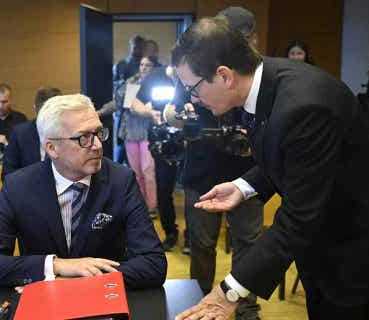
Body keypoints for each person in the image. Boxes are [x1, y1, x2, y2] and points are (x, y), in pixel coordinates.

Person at [173, 17, 369, 320]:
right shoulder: (262, 81)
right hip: (322, 244)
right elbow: (288, 157)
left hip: (356, 249)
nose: (193, 99)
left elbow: (298, 216)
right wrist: (243, 186)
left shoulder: (305, 106)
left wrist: (229, 291)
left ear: (224, 76)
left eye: (192, 88)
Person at [0, 94, 167, 290]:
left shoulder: (121, 180)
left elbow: (153, 264)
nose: (98, 146)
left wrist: (78, 282)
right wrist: (55, 265)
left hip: (103, 301)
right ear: (52, 148)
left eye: (99, 133)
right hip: (43, 306)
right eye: (84, 138)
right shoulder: (18, 186)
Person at [166, 7, 265, 320]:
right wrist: (186, 118)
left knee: (248, 244)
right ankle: (201, 298)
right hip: (203, 170)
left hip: (250, 174)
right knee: (202, 243)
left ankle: (247, 307)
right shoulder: (197, 69)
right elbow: (170, 112)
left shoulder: (259, 75)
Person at [131, 64, 185, 252]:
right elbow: (134, 101)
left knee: (194, 190)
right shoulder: (155, 77)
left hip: (192, 142)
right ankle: (170, 232)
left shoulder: (199, 75)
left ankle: (192, 237)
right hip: (164, 142)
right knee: (163, 190)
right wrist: (150, 113)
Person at [110, 56, 159, 222]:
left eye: (148, 65)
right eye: (142, 64)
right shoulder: (132, 82)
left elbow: (140, 108)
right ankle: (141, 205)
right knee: (136, 173)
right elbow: (126, 105)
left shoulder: (156, 83)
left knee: (148, 170)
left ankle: (152, 206)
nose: (144, 67)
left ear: (153, 68)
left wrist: (146, 110)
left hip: (147, 133)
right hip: (130, 132)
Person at [1, 86, 61, 180]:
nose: (48, 120)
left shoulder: (70, 132)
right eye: (44, 114)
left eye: (53, 114)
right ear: (35, 109)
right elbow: (8, 174)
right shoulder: (20, 134)